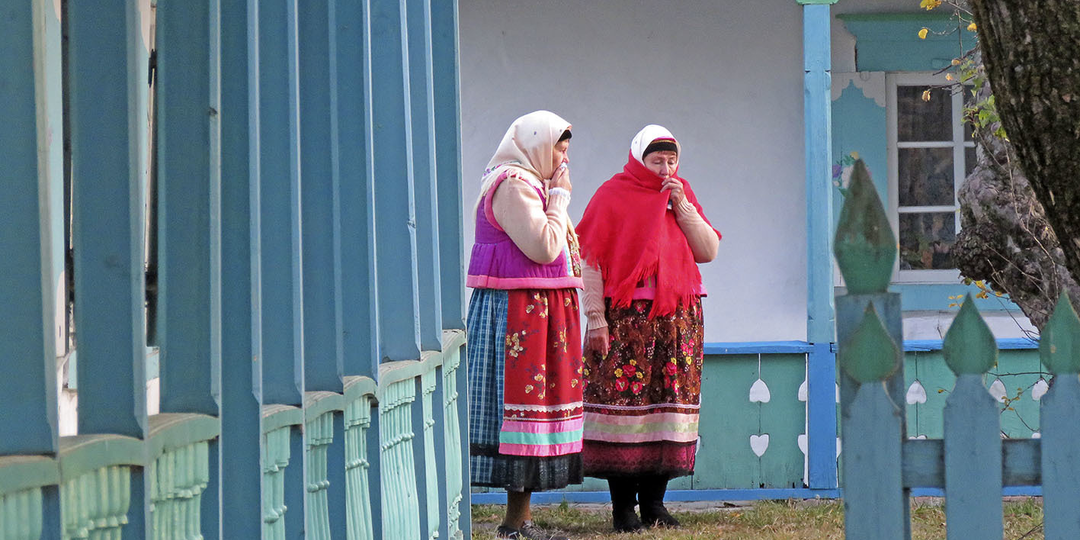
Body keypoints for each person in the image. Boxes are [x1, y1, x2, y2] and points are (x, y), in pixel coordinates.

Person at [576, 125, 720, 532]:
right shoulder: (612, 195)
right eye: (657, 161)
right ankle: (623, 510)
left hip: (678, 320)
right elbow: (591, 260)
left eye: (671, 160)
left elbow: (707, 251)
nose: (665, 168)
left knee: (668, 410)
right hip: (627, 320)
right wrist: (595, 318)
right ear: (640, 158)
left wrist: (682, 207)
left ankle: (654, 505)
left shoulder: (681, 194)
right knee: (626, 413)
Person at [466, 111, 584, 540]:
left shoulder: (533, 185)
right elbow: (544, 247)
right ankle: (513, 525)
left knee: (533, 422)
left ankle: (520, 521)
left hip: (542, 318)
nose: (565, 161)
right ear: (536, 145)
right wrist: (561, 199)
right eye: (560, 149)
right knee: (520, 418)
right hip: (520, 319)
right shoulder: (513, 186)